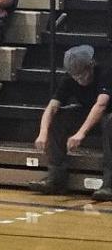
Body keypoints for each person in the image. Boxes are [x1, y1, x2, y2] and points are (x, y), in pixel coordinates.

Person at [29, 45, 112, 199]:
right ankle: (56, 179)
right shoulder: (69, 80)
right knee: (57, 119)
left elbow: (101, 105)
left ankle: (109, 184)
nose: (79, 80)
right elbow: (52, 107)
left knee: (110, 121)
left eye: (82, 75)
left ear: (91, 65)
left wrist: (80, 133)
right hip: (90, 113)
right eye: (75, 77)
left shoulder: (105, 73)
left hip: (107, 113)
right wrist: (43, 133)